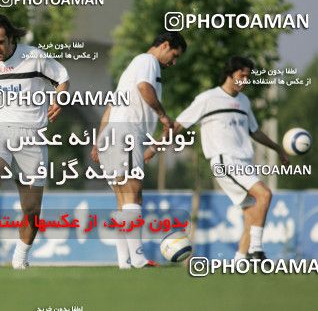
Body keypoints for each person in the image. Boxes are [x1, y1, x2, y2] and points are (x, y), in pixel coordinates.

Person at [145, 56, 289, 260]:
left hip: (244, 162)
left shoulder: (244, 101)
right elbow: (178, 125)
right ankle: (256, 250)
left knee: (251, 214)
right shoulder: (208, 98)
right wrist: (153, 148)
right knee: (264, 195)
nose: (245, 80)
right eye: (242, 75)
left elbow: (255, 132)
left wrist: (277, 149)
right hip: (225, 160)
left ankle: (240, 261)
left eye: (248, 77)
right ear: (230, 73)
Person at [0, 13, 70, 269]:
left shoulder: (35, 57)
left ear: (10, 37)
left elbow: (62, 79)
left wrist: (60, 100)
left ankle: (20, 260)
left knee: (32, 210)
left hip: (32, 136)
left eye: (0, 42)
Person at [90, 31, 187, 268]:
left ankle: (125, 262)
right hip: (127, 133)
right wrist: (163, 115)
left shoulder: (131, 69)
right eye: (174, 56)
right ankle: (140, 259)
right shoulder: (147, 61)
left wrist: (98, 141)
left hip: (114, 133)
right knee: (133, 193)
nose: (173, 63)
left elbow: (112, 106)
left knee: (123, 199)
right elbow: (145, 88)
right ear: (165, 45)